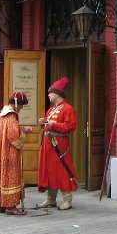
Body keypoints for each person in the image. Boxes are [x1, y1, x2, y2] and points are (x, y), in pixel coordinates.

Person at [0, 91, 33, 215]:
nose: (21, 108)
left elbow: (11, 130)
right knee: (11, 177)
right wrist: (25, 132)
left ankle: (1, 203)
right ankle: (11, 206)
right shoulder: (11, 116)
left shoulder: (3, 114)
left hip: (2, 151)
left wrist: (21, 128)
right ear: (16, 104)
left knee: (3, 176)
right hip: (10, 153)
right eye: (21, 105)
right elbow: (14, 136)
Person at [37, 77, 78, 210]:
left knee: (62, 169)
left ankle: (67, 199)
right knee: (49, 170)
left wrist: (53, 125)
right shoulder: (51, 110)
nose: (48, 95)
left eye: (50, 92)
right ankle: (51, 199)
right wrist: (44, 123)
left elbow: (70, 126)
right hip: (48, 144)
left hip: (59, 144)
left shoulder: (68, 108)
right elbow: (49, 124)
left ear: (57, 94)